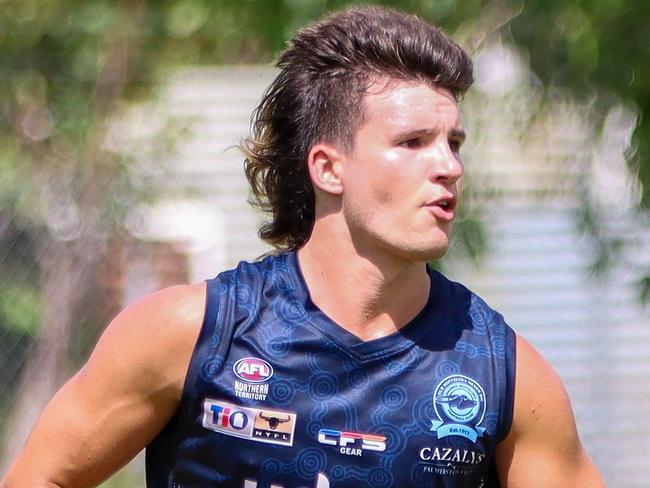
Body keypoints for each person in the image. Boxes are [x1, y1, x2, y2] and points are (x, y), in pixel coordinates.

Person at [1, 6, 605, 488]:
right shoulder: (192, 333)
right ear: (328, 168)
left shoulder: (504, 373)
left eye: (454, 142)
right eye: (414, 141)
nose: (448, 165)